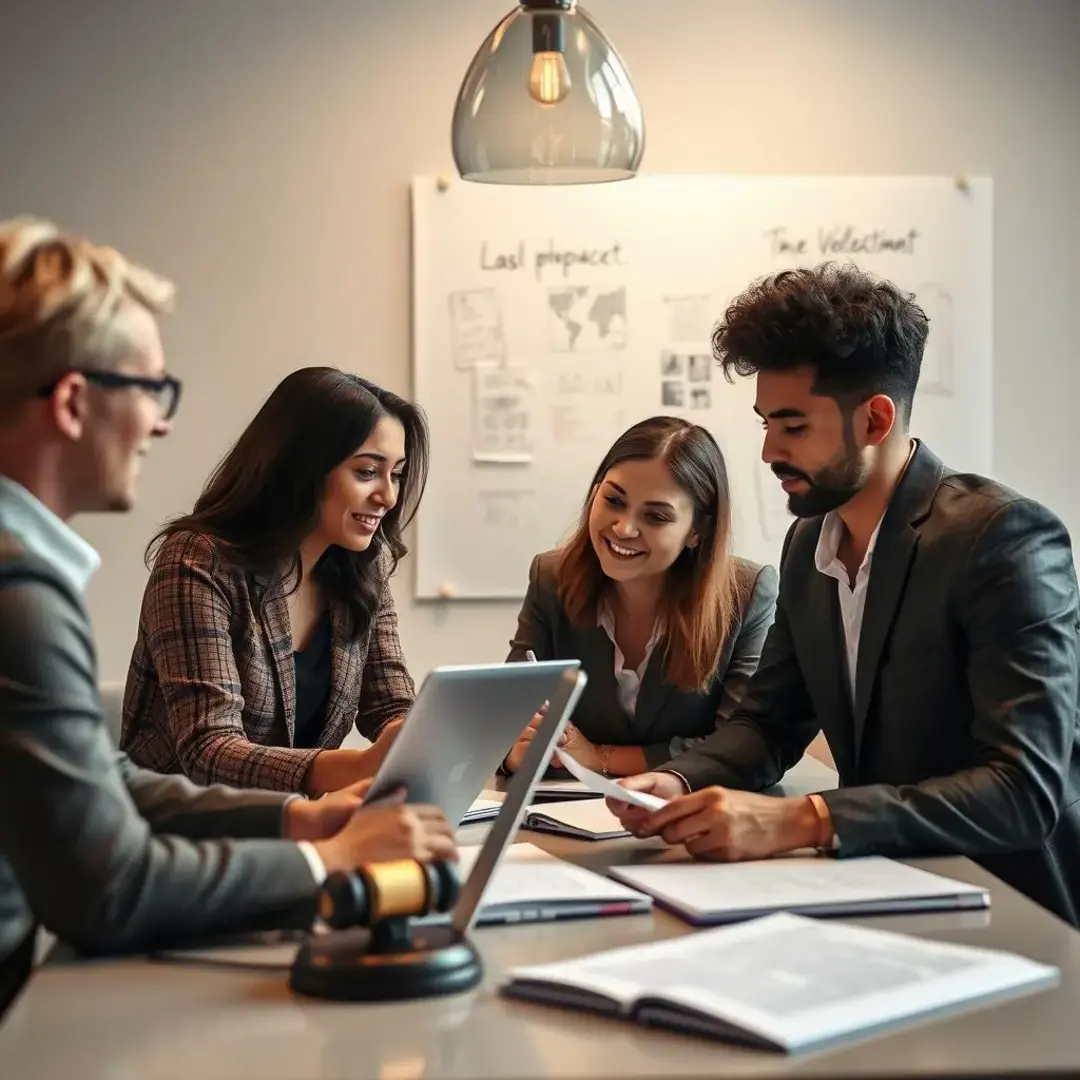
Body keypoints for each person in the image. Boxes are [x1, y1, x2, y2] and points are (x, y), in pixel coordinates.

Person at [0, 218, 455, 1018]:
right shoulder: (21, 595)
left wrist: (301, 821)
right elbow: (109, 887)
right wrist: (330, 861)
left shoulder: (26, 581)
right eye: (151, 390)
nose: (162, 421)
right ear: (74, 402)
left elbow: (107, 784)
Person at [608, 263, 1080, 926]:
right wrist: (683, 781)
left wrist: (804, 817)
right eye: (765, 423)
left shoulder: (1003, 539)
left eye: (794, 426)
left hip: (1010, 911)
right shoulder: (810, 545)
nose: (769, 450)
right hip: (879, 891)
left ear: (876, 419)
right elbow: (768, 723)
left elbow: (1024, 792)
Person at [122, 368, 426, 794]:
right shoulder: (198, 560)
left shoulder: (361, 568)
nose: (388, 497)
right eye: (366, 472)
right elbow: (209, 750)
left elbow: (390, 703)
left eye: (395, 473)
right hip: (182, 836)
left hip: (299, 824)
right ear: (301, 468)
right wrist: (362, 766)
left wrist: (461, 743)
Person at [504, 416, 778, 778]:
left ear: (697, 531)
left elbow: (741, 747)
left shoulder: (746, 593)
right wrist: (516, 752)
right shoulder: (550, 577)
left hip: (687, 814)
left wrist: (599, 757)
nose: (623, 528)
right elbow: (506, 718)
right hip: (561, 810)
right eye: (614, 500)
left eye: (656, 516)